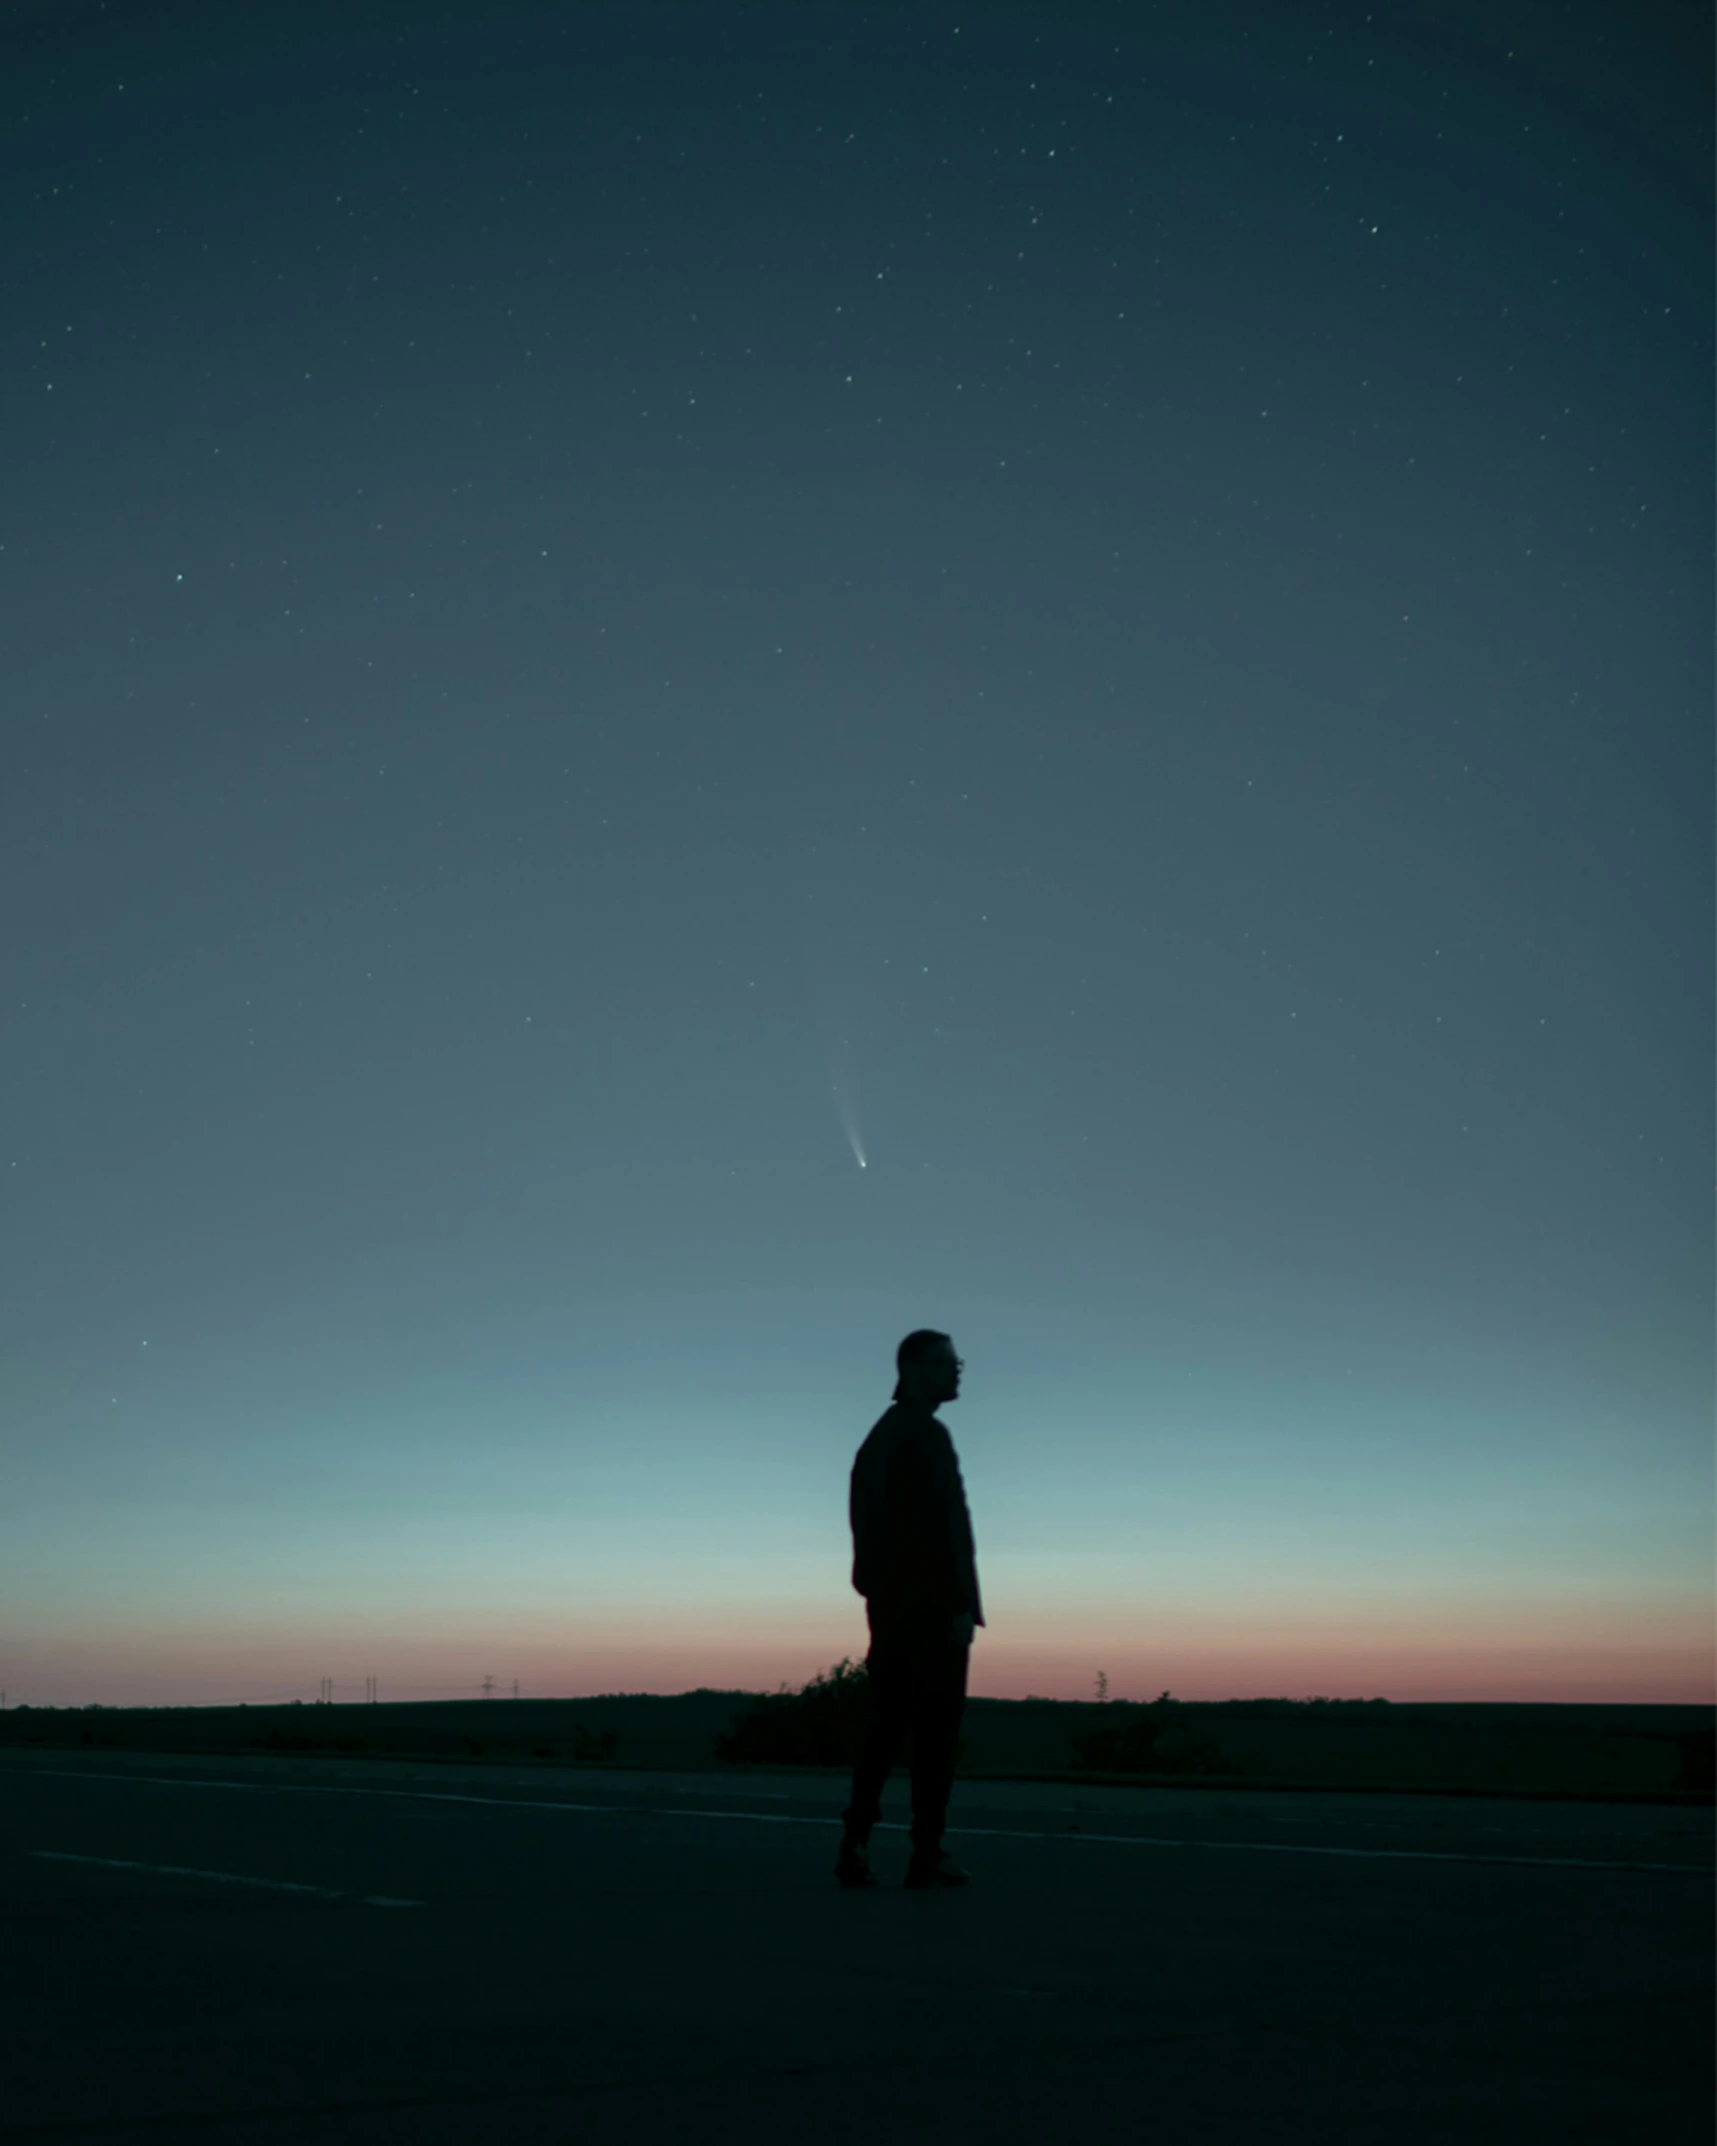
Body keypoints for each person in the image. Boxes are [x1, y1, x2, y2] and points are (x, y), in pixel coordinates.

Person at [835, 1328, 985, 1890]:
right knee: (936, 1733)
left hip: (894, 1608)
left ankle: (856, 1843)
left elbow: (869, 1535)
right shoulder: (922, 1436)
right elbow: (943, 1534)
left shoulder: (881, 1438)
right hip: (929, 1612)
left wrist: (879, 1594)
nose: (958, 1372)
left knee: (886, 1726)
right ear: (916, 1367)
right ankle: (926, 1853)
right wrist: (956, 1606)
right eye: (949, 1363)